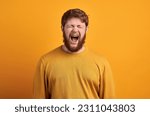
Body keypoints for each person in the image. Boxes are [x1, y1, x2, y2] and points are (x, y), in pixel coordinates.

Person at [33, 8, 115, 99]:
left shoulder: (101, 63)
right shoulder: (45, 62)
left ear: (86, 29)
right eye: (70, 26)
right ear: (62, 28)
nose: (75, 30)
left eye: (79, 26)